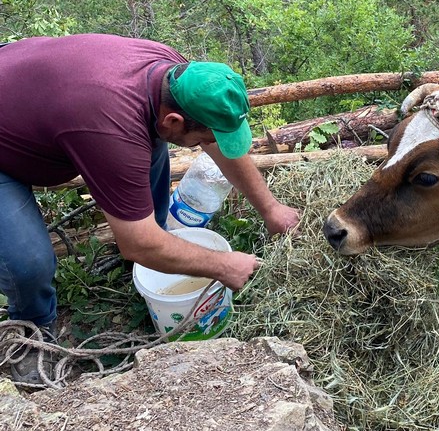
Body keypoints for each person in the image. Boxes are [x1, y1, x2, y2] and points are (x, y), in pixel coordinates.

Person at [0, 33, 302, 386]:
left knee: (150, 146)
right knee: (28, 262)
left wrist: (270, 208)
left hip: (32, 96)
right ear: (173, 120)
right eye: (204, 138)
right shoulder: (112, 128)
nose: (209, 145)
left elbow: (219, 148)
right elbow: (137, 242)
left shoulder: (177, 76)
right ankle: (33, 328)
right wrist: (223, 265)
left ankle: (155, 256)